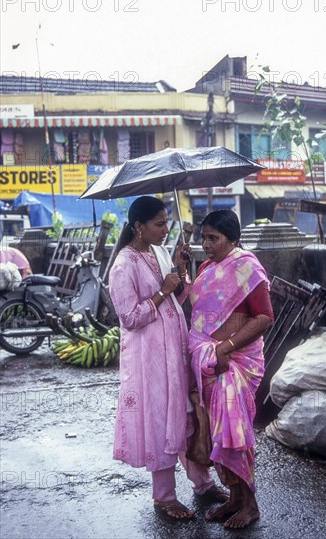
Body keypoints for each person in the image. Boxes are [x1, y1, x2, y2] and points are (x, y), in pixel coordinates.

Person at [108, 196, 228, 520]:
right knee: (160, 419)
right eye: (159, 224)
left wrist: (180, 271)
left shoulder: (159, 252)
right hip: (149, 360)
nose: (165, 229)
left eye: (166, 222)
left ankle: (202, 483)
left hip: (175, 350)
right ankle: (164, 496)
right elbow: (130, 318)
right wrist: (162, 290)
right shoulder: (123, 264)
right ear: (139, 226)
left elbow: (177, 298)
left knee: (187, 414)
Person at [188, 209, 274, 530]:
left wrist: (225, 347)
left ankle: (250, 505)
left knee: (235, 434)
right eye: (204, 237)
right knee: (220, 433)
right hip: (211, 363)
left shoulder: (247, 268)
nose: (206, 244)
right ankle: (235, 499)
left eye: (214, 238)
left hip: (237, 363)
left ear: (233, 239)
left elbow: (264, 318)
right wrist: (183, 269)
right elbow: (200, 312)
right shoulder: (207, 267)